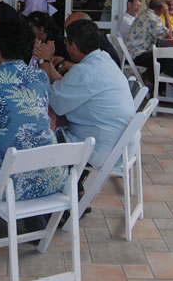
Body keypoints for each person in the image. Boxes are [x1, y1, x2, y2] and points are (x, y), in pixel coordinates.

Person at [0, 18, 67, 240]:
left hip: (2, 177)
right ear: (31, 48)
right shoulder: (40, 76)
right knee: (27, 142)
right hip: (48, 173)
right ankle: (35, 223)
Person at [36, 18, 135, 169]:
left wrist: (43, 59)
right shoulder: (104, 60)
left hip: (101, 150)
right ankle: (76, 185)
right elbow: (66, 85)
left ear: (74, 46)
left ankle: (70, 186)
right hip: (121, 146)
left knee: (40, 138)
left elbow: (54, 102)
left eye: (66, 42)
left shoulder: (84, 72)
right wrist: (48, 63)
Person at [125, 0, 173, 70]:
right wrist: (166, 14)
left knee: (160, 57)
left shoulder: (144, 13)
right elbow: (169, 35)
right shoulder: (153, 18)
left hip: (131, 53)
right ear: (161, 9)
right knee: (166, 59)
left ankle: (150, 78)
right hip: (137, 55)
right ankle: (158, 80)